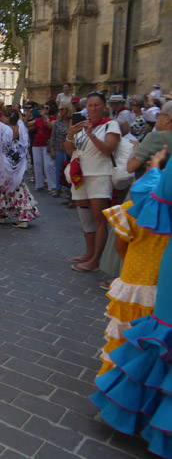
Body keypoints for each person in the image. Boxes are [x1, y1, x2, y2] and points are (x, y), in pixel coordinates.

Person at [90, 146, 172, 458]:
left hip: (139, 284)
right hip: (156, 290)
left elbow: (123, 245)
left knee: (127, 343)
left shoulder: (143, 198)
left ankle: (116, 395)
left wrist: (153, 167)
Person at [64, 91, 121, 272]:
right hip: (80, 176)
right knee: (85, 218)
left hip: (99, 175)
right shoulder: (81, 126)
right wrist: (70, 134)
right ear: (85, 107)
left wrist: (91, 134)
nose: (93, 108)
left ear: (104, 107)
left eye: (97, 105)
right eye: (90, 105)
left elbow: (107, 149)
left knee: (99, 219)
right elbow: (68, 150)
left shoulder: (111, 125)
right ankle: (89, 253)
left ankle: (96, 260)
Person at [0, 97, 40, 228]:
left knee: (17, 190)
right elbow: (16, 116)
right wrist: (3, 107)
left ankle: (24, 217)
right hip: (16, 165)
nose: (0, 118)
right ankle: (1, 214)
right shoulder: (21, 127)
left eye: (2, 116)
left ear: (8, 118)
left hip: (5, 167)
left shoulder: (3, 128)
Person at [127, 101, 172, 176]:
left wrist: (135, 149)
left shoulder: (155, 136)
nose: (157, 118)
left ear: (168, 118)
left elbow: (130, 167)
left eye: (159, 114)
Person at [29, 103, 57, 194]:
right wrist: (27, 116)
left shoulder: (53, 119)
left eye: (46, 108)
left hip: (47, 143)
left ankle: (52, 186)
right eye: (43, 108)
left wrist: (46, 117)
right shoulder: (37, 120)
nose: (44, 109)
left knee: (48, 165)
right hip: (37, 143)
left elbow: (50, 126)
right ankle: (39, 184)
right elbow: (26, 124)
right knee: (37, 164)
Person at [48, 103, 71, 198]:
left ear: (67, 110)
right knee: (58, 170)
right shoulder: (57, 123)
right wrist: (52, 150)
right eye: (59, 110)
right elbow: (52, 137)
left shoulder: (72, 122)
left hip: (69, 150)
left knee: (67, 170)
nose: (60, 111)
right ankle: (57, 188)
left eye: (62, 109)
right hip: (58, 148)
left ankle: (67, 189)